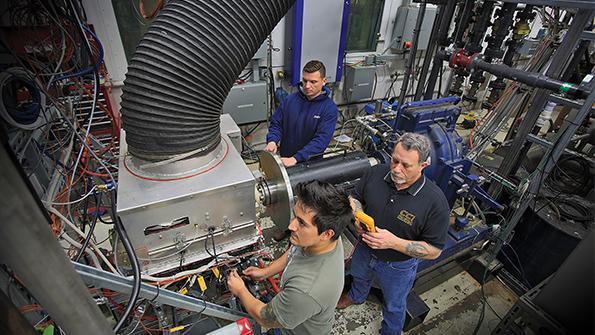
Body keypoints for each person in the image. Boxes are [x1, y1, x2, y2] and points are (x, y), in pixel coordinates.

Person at [336, 132, 450, 335]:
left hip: (398, 266)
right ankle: (356, 296)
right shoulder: (375, 173)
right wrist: (358, 216)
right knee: (359, 276)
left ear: (424, 165)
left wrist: (393, 243)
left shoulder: (435, 202)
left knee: (394, 304)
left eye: (406, 165)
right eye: (394, 160)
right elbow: (354, 197)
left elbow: (434, 251)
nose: (396, 169)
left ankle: (390, 331)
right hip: (364, 248)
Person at [227, 180, 353, 334]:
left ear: (327, 234)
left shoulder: (306, 290)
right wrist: (265, 272)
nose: (291, 226)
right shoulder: (324, 239)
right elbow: (295, 252)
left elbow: (264, 317)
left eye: (301, 223)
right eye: (295, 216)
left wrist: (240, 290)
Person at [265, 60, 338, 168]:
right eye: (305, 80)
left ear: (324, 81)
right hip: (286, 159)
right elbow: (277, 123)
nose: (307, 86)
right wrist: (272, 140)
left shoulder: (329, 108)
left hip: (311, 164)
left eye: (313, 82)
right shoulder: (289, 100)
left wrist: (296, 158)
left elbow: (321, 141)